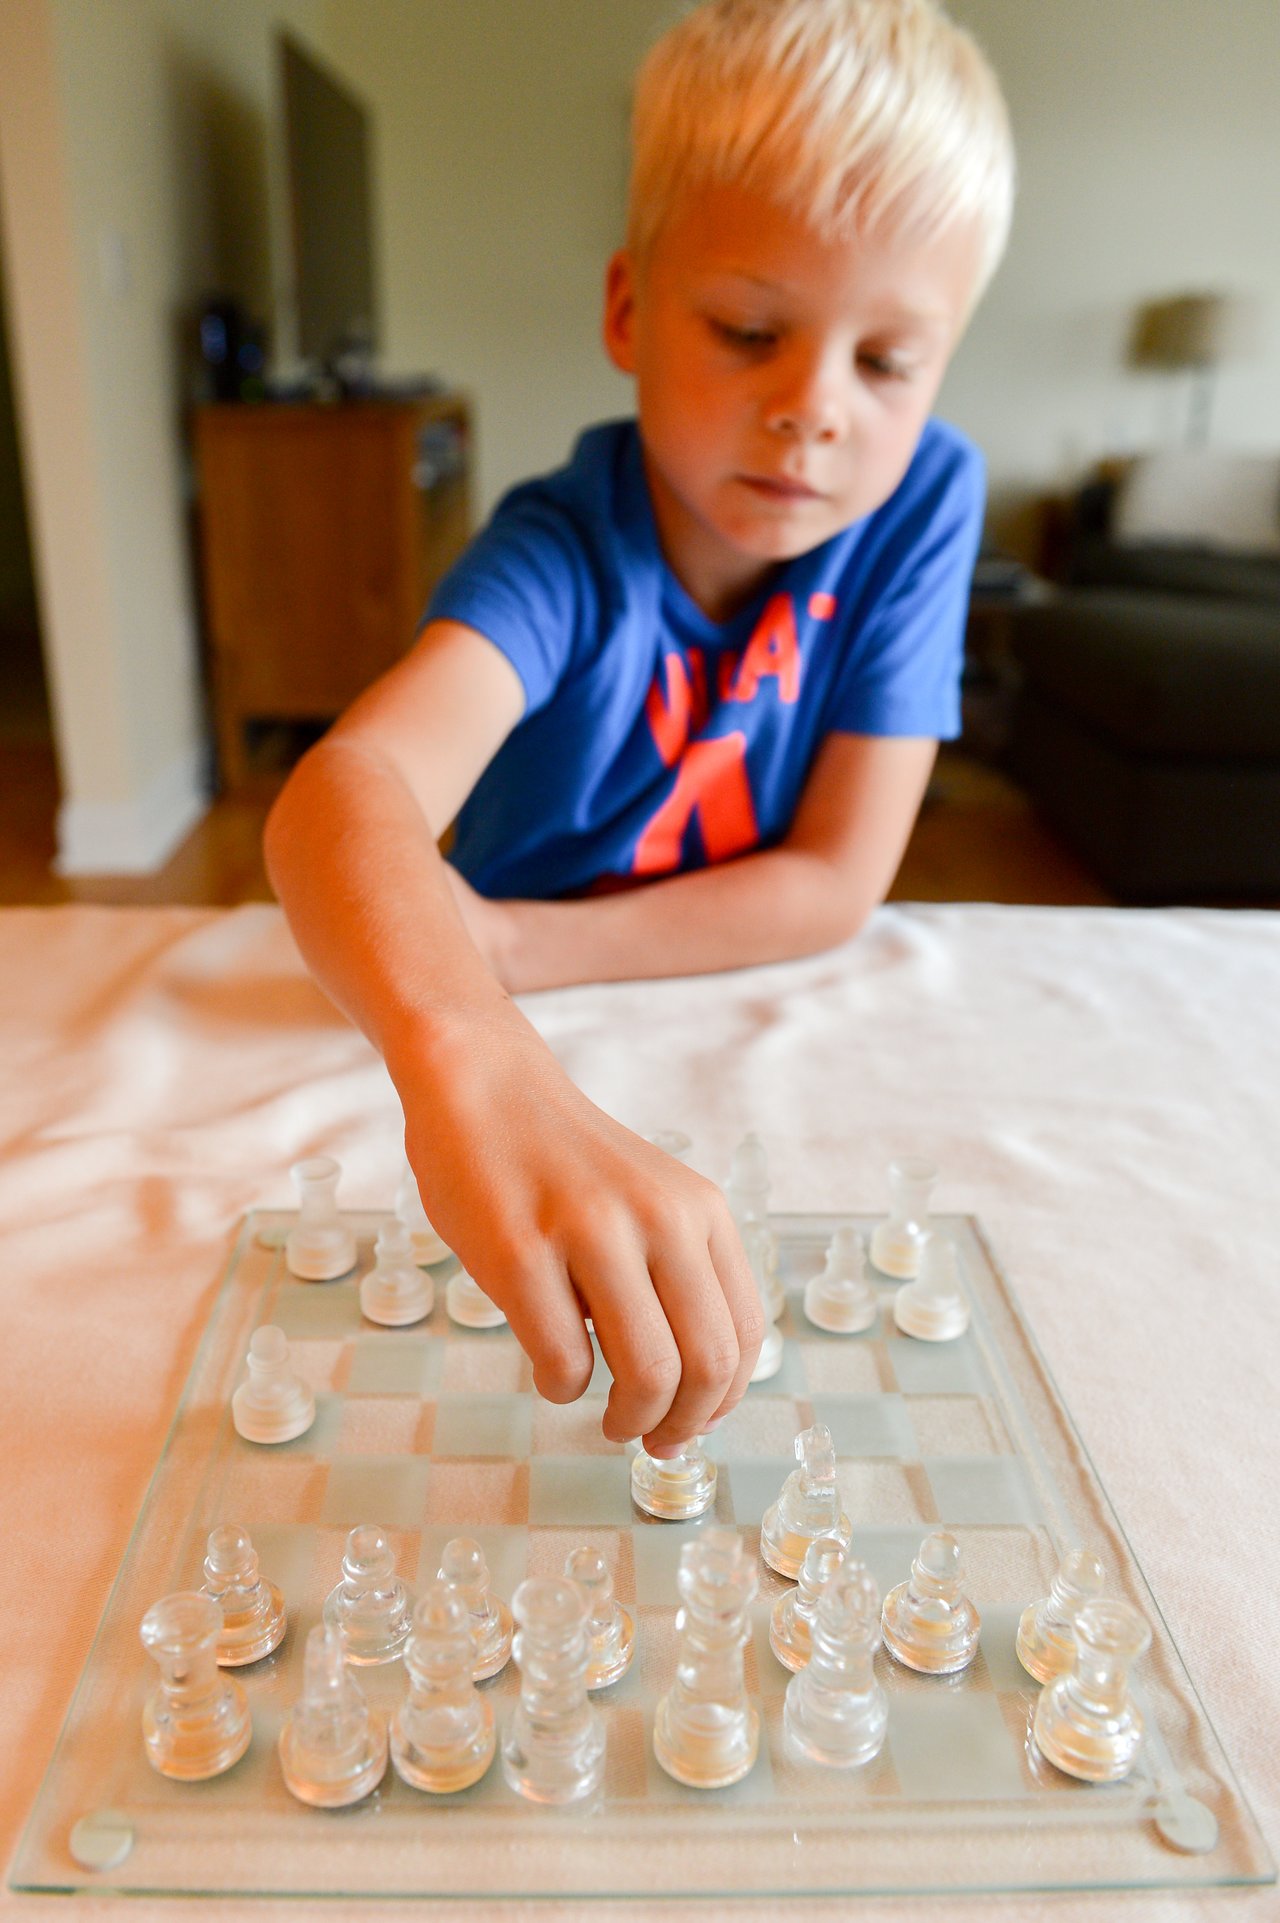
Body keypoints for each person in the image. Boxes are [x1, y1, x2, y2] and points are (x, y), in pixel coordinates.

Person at [265, 0, 1015, 1460]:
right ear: (626, 311)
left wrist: (522, 948)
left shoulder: (923, 498)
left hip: (646, 985)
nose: (814, 412)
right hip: (515, 1038)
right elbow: (340, 792)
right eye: (750, 330)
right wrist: (476, 1041)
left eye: (889, 362)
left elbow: (839, 879)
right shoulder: (561, 549)